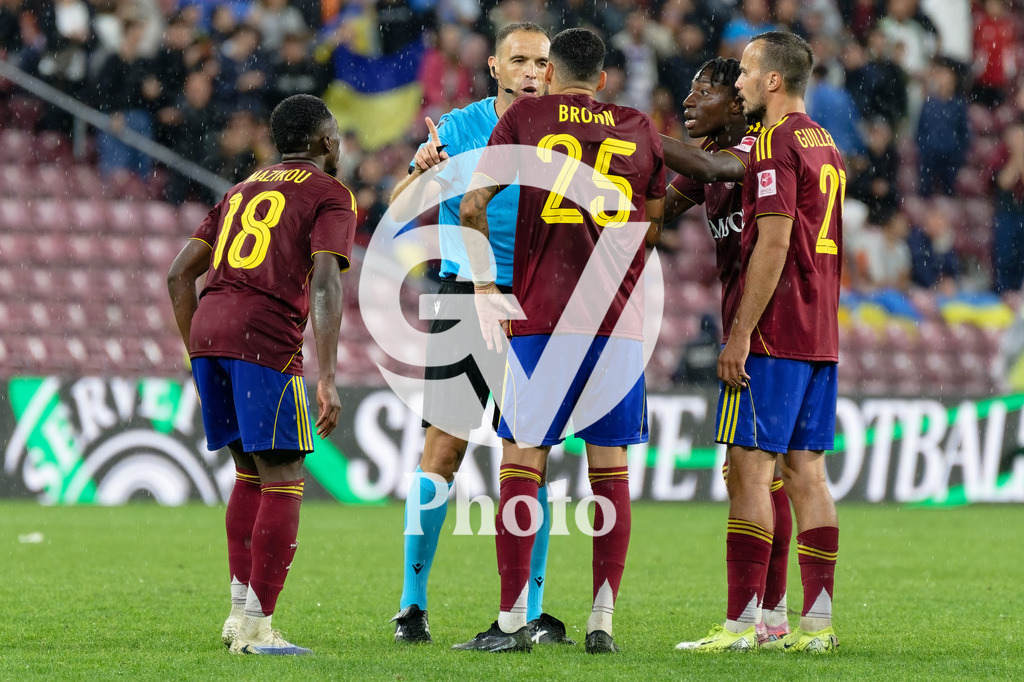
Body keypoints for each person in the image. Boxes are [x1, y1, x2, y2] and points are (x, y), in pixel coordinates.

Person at [454, 26, 666, 654]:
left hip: (543, 315)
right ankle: (602, 621)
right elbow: (652, 227)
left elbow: (472, 207)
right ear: (603, 78)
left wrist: (487, 287)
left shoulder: (527, 115)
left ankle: (514, 619)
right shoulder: (637, 126)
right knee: (611, 469)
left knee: (523, 463)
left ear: (551, 72)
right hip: (617, 322)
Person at [387, 22, 574, 647]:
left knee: (528, 459)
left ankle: (528, 610)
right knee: (444, 450)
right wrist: (418, 171)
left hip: (535, 305)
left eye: (540, 61)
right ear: (494, 65)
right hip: (465, 296)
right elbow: (400, 205)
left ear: (551, 70)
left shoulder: (566, 133)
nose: (529, 71)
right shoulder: (461, 128)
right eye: (518, 59)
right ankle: (412, 605)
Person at [166, 94, 356, 656]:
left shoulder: (240, 191)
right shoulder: (329, 194)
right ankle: (257, 629)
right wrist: (327, 374)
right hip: (263, 338)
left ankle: (236, 616)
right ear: (325, 142)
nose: (341, 146)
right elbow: (325, 282)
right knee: (284, 476)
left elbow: (179, 276)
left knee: (249, 472)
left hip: (210, 334)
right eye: (338, 136)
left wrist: (200, 352)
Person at [694, 31, 844, 653]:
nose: (741, 83)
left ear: (773, 81)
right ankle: (815, 626)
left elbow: (776, 243)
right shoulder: (824, 142)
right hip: (821, 331)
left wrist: (740, 334)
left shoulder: (779, 141)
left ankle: (740, 625)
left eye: (749, 72)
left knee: (749, 476)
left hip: (775, 333)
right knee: (809, 475)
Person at [654, 57, 794, 649]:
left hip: (762, 330)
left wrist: (628, 131)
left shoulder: (752, 150)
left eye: (704, 91)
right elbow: (655, 211)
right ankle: (776, 619)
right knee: (773, 477)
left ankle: (741, 625)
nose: (689, 101)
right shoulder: (713, 161)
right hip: (776, 328)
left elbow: (712, 166)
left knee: (747, 475)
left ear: (737, 104)